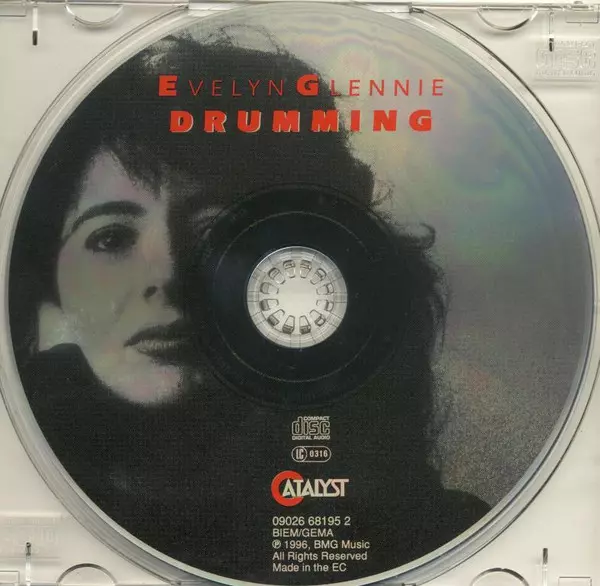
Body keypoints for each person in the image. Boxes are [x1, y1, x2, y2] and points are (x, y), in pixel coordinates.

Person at [9, 32, 489, 583]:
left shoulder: (446, 541)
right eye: (111, 237)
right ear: (48, 280)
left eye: (216, 230)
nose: (168, 275)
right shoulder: (31, 511)